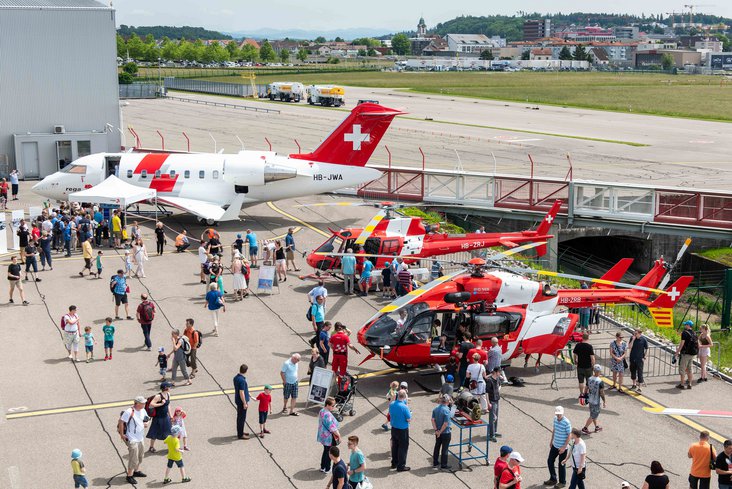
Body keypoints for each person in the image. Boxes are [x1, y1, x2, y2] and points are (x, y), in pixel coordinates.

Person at [118, 395, 151, 485]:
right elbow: (121, 422)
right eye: (143, 403)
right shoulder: (129, 412)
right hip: (132, 438)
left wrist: (146, 423)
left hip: (140, 437)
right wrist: (122, 434)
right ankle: (129, 476)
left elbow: (147, 419)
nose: (144, 404)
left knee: (140, 456)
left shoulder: (143, 410)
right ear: (137, 403)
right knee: (133, 457)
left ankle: (136, 471)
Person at [545, 405, 571, 487]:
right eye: (557, 414)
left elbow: (569, 435)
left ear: (563, 413)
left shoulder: (566, 422)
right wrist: (551, 441)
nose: (558, 416)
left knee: (561, 464)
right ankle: (553, 479)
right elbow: (554, 430)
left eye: (560, 414)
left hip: (562, 447)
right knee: (550, 461)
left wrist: (564, 447)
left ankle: (562, 482)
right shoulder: (555, 419)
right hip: (555, 445)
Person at [147, 382, 173, 453]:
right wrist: (161, 404)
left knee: (169, 432)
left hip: (165, 417)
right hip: (158, 417)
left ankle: (170, 447)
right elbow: (151, 404)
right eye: (169, 387)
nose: (170, 388)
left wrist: (170, 416)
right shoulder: (158, 396)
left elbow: (168, 405)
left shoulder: (168, 394)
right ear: (166, 388)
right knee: (154, 432)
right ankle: (151, 447)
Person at [390, 389, 412, 472]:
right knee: (403, 447)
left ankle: (394, 462)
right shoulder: (404, 407)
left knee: (395, 445)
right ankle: (401, 466)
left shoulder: (392, 404)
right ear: (405, 396)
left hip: (394, 428)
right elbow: (408, 419)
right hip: (402, 429)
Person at [318, 397, 341, 473]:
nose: (333, 407)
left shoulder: (322, 411)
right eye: (332, 405)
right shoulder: (327, 414)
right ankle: (327, 468)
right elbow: (332, 428)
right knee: (329, 453)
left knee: (325, 451)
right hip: (328, 437)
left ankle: (322, 467)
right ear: (327, 405)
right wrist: (339, 435)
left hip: (323, 435)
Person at [581, 364, 606, 434]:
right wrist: (604, 401)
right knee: (593, 415)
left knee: (593, 414)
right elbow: (601, 393)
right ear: (599, 372)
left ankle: (596, 427)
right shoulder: (600, 381)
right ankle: (585, 428)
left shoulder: (589, 379)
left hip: (590, 400)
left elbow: (586, 388)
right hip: (596, 401)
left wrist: (584, 396)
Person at [431, 393, 452, 470]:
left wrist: (436, 430)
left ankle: (435, 462)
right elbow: (445, 423)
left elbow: (433, 420)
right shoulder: (447, 410)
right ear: (447, 401)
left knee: (437, 446)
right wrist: (440, 431)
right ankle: (444, 464)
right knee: (445, 448)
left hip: (437, 432)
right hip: (445, 433)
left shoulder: (435, 409)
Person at [676, 320, 698, 390]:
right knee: (690, 369)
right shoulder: (694, 333)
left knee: (682, 369)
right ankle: (690, 384)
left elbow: (682, 344)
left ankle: (682, 384)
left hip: (685, 354)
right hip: (692, 354)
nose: (684, 326)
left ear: (688, 325)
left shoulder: (684, 333)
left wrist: (677, 352)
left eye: (685, 324)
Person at [234, 364, 251, 440]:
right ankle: (240, 434)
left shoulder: (236, 378)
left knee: (239, 417)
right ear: (246, 371)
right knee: (241, 418)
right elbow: (241, 392)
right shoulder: (242, 380)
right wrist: (244, 403)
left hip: (237, 399)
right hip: (241, 402)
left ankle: (240, 431)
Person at [487, 366, 502, 441]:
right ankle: (491, 435)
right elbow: (486, 392)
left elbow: (499, 385)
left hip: (497, 399)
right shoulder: (490, 381)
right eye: (499, 372)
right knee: (492, 418)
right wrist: (488, 403)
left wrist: (498, 390)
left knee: (496, 417)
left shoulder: (498, 378)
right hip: (492, 400)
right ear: (495, 372)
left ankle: (494, 431)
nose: (500, 373)